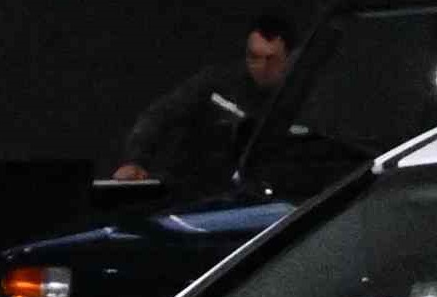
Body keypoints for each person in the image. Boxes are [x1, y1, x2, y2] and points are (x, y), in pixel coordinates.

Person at [105, 10, 300, 188]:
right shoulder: (217, 84)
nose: (261, 67)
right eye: (254, 57)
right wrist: (134, 161)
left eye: (271, 59)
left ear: (290, 58)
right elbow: (159, 115)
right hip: (196, 190)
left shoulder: (305, 99)